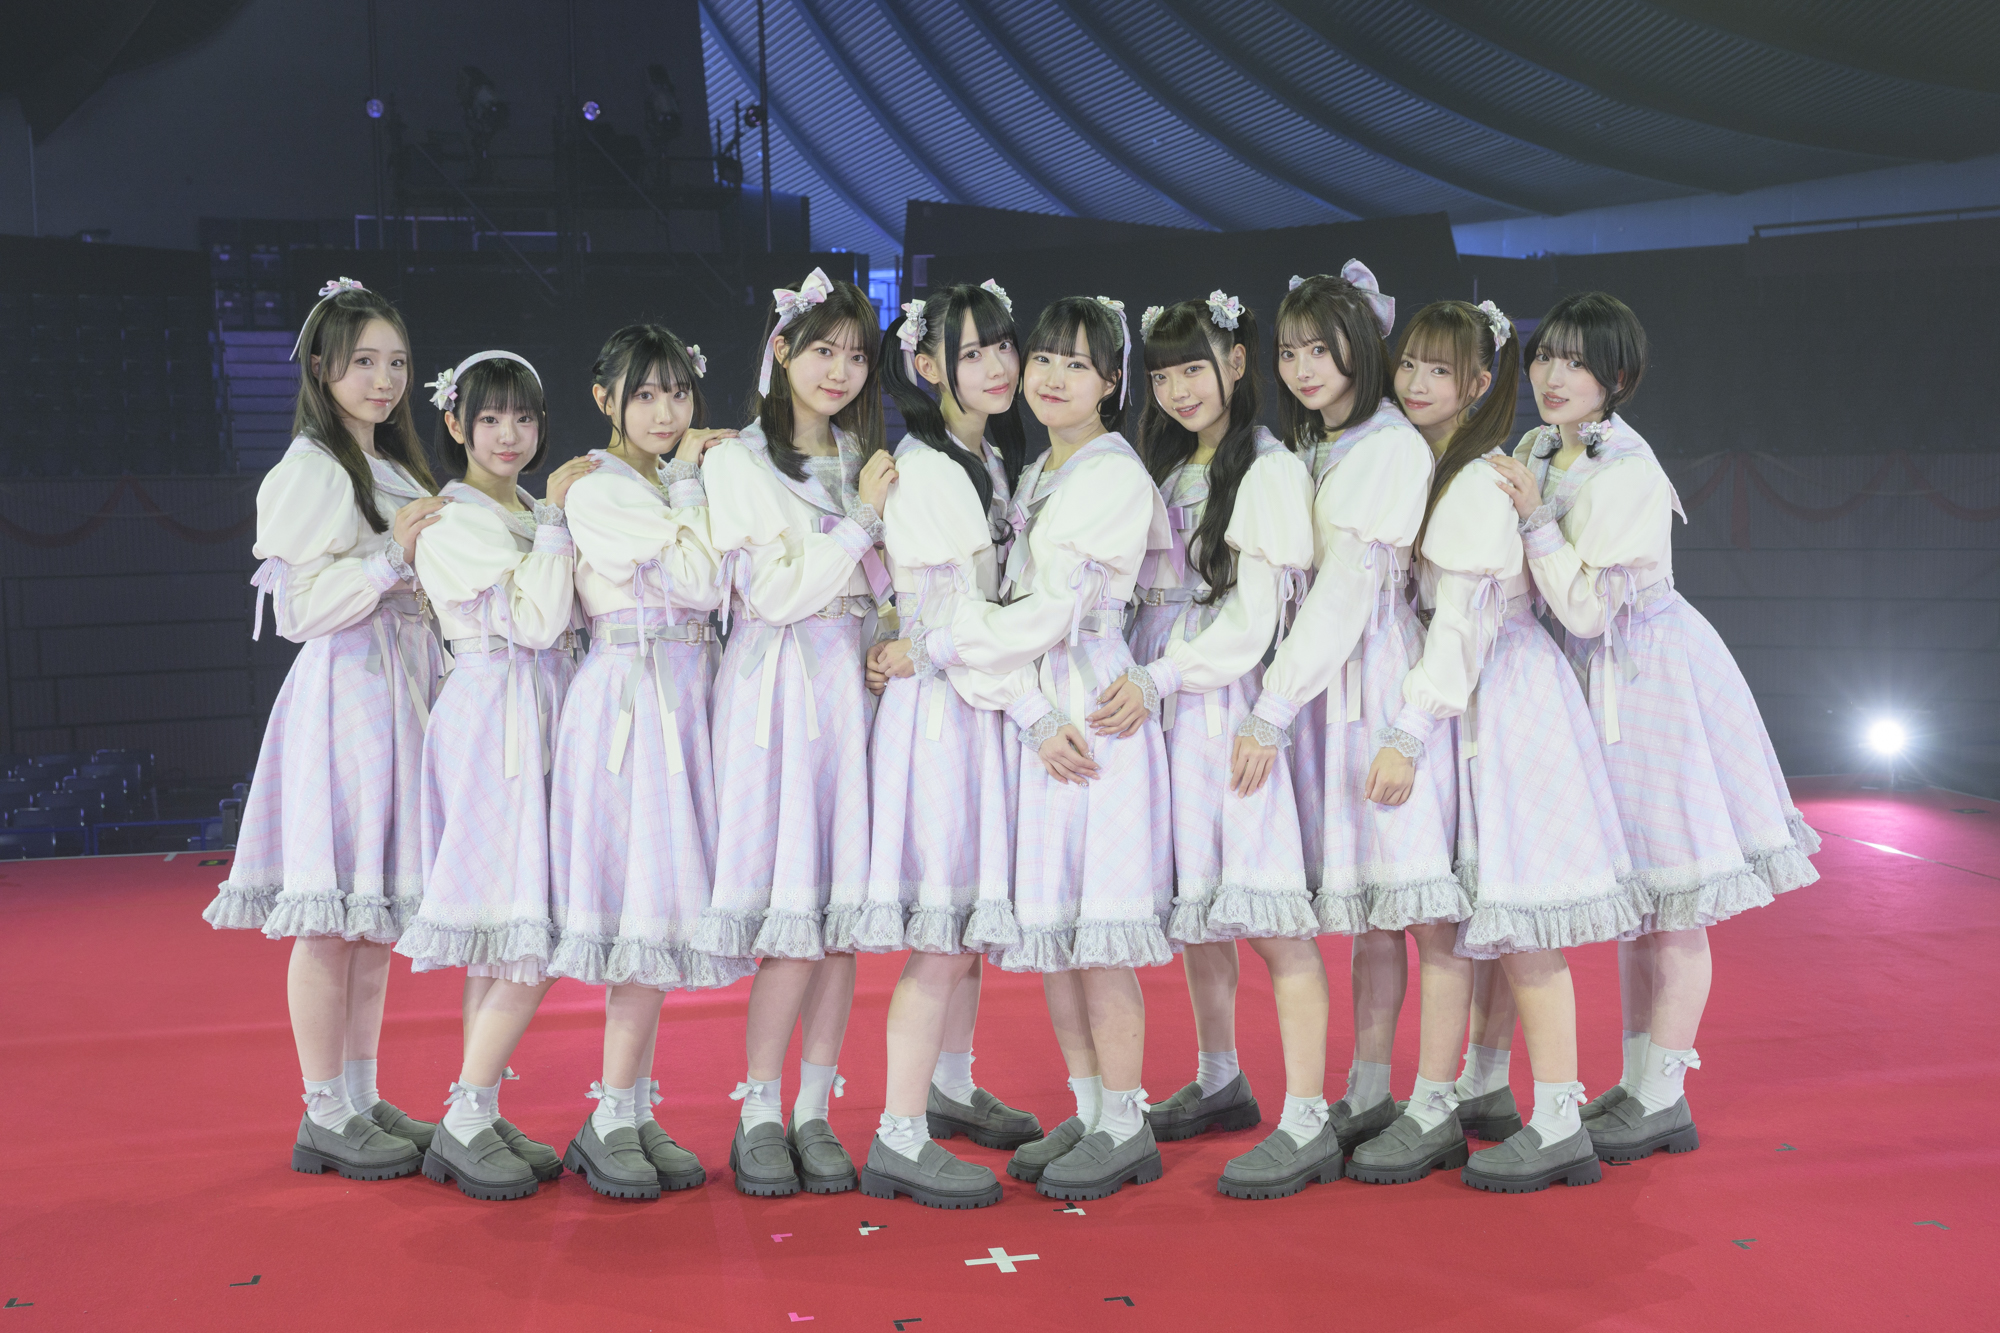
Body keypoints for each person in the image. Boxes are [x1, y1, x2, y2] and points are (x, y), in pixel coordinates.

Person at [1487, 292, 1819, 1164]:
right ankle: (1637, 1085)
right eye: (1545, 355)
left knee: (1673, 901)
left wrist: (1534, 517)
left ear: (1618, 376)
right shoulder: (1540, 446)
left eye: (1577, 362)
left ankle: (1664, 1094)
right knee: (1639, 903)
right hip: (1588, 686)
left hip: (1646, 679)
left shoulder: (1627, 470)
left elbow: (1588, 611)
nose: (1554, 375)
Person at [878, 294, 1173, 1202]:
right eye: (1039, 356)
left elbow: (1044, 612)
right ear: (930, 366)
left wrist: (935, 642)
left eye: (1073, 363)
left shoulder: (1106, 475)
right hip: (1031, 702)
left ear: (1113, 381)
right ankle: (1089, 1109)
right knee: (1056, 926)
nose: (1039, 374)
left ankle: (1123, 1121)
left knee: (1099, 929)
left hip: (1087, 704)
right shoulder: (1030, 466)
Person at [202, 278, 446, 1180]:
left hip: (402, 687)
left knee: (372, 920)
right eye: (364, 362)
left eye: (397, 363)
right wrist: (391, 557)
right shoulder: (309, 470)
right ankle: (323, 1110)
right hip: (349, 690)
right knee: (331, 920)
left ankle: (362, 1094)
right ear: (319, 367)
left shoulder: (392, 463)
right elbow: (300, 611)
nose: (384, 380)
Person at [698, 270, 894, 1197]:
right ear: (781, 352)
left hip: (852, 686)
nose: (839, 371)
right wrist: (861, 525)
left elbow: (889, 585)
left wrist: (890, 632)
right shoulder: (737, 461)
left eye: (856, 356)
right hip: (776, 693)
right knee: (790, 918)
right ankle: (759, 1110)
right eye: (822, 350)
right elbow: (774, 592)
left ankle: (816, 1108)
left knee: (841, 920)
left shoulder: (865, 458)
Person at [855, 280, 1041, 1210]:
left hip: (969, 700)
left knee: (964, 923)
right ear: (928, 366)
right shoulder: (927, 468)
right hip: (942, 709)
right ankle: (897, 1133)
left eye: (1003, 345)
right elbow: (960, 620)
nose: (998, 365)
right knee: (940, 929)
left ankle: (952, 1085)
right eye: (972, 353)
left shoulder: (985, 456)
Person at [396, 351, 591, 1200]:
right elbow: (539, 620)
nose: (509, 434)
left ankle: (478, 1107)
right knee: (522, 924)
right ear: (455, 424)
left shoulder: (528, 511)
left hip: (538, 706)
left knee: (504, 927)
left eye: (524, 417)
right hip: (494, 715)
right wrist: (556, 523)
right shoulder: (450, 521)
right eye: (489, 418)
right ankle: (467, 1113)